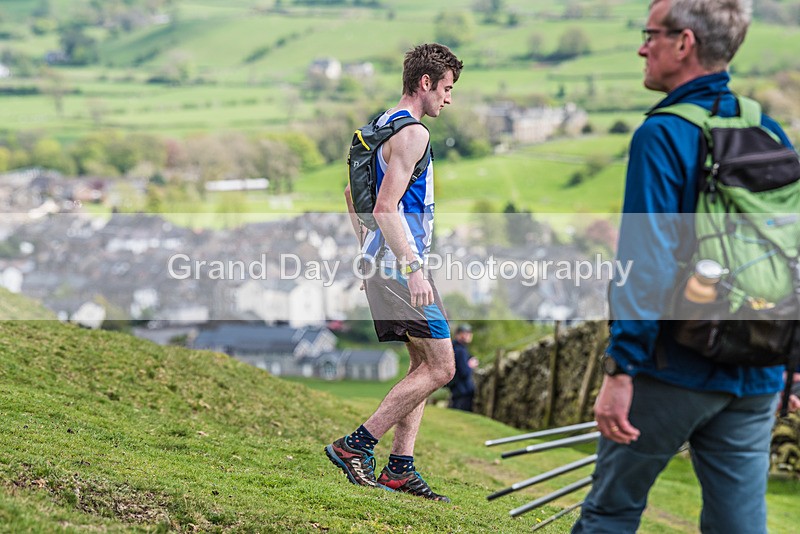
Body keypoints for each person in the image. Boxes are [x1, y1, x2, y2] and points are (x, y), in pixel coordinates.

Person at [572, 1, 797, 532]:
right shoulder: (766, 128)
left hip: (675, 364)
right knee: (739, 525)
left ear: (684, 43)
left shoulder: (664, 134)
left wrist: (621, 368)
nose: (641, 46)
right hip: (757, 367)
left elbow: (644, 262)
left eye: (650, 33)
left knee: (610, 511)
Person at [325, 43, 463, 503]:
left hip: (380, 264)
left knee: (422, 363)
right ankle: (356, 446)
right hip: (402, 269)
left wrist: (365, 252)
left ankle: (400, 467)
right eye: (445, 89)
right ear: (425, 84)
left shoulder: (381, 124)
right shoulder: (414, 134)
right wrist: (413, 268)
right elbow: (386, 207)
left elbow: (352, 193)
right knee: (443, 367)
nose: (448, 98)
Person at [448, 323, 479, 412]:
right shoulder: (460, 350)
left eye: (469, 333)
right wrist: (470, 365)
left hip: (457, 390)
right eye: (465, 333)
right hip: (462, 391)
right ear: (458, 335)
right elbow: (464, 372)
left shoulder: (455, 347)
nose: (468, 335)